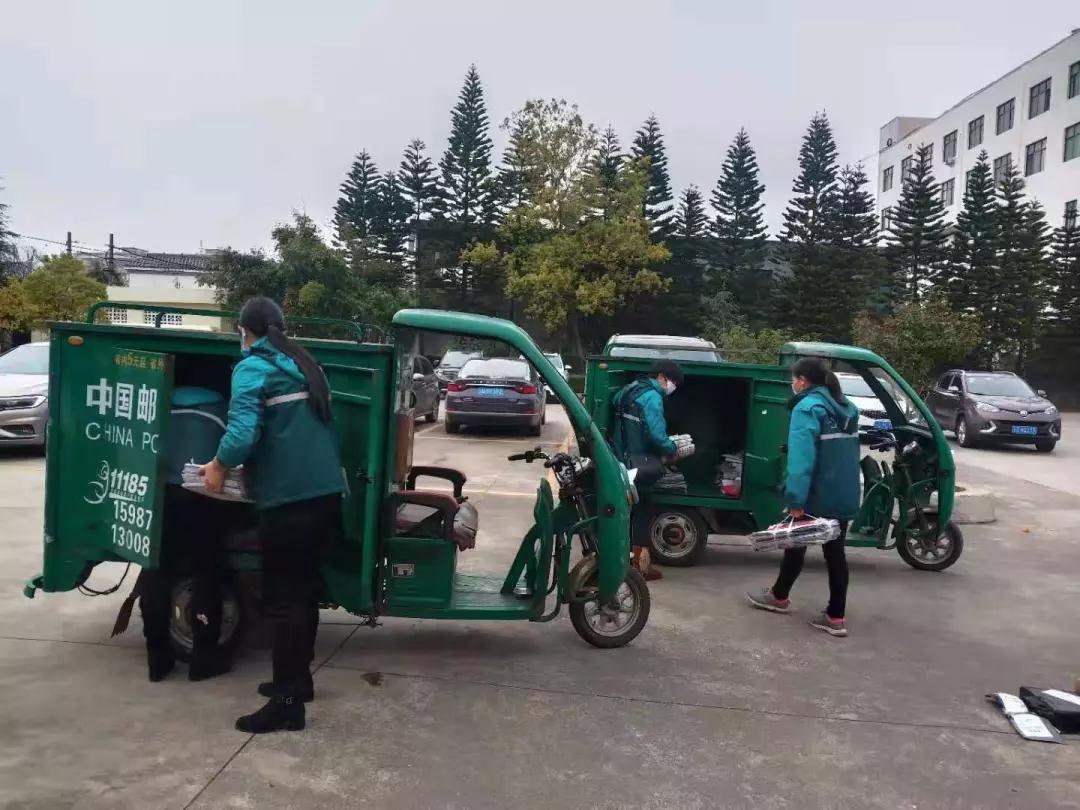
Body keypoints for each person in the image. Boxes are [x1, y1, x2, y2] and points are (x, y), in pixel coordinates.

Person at [199, 297, 345, 734]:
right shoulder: (303, 363)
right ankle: (298, 683)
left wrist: (218, 466)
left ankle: (286, 705)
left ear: (244, 331)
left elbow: (242, 435)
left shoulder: (253, 367)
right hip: (325, 494)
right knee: (304, 594)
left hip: (289, 500)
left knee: (284, 601)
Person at [746, 357, 861, 637]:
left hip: (817, 494)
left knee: (796, 542)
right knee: (831, 553)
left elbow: (801, 459)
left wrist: (795, 499)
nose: (792, 384)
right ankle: (829, 613)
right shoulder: (848, 408)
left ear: (802, 381)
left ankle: (786, 599)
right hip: (843, 492)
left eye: (794, 379)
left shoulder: (808, 408)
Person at [611, 359, 684, 581]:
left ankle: (624, 559)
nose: (672, 387)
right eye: (672, 382)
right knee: (643, 512)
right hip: (641, 464)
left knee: (627, 511)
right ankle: (639, 566)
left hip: (621, 459)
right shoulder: (652, 397)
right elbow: (657, 435)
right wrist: (673, 448)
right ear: (661, 377)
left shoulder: (630, 390)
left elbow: (615, 404)